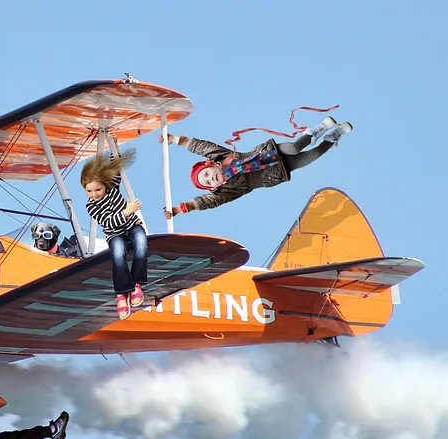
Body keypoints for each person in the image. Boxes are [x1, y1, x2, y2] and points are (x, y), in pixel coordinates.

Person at [160, 117, 352, 218]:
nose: (212, 178)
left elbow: (201, 146)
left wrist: (174, 140)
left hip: (270, 153)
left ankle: (315, 130)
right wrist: (182, 208)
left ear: (211, 165)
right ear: (212, 188)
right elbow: (208, 202)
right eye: (209, 182)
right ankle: (334, 136)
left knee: (294, 147)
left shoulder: (224, 157)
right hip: (276, 172)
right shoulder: (227, 191)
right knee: (314, 155)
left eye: (208, 174)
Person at [80, 149, 148, 320]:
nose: (94, 194)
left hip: (131, 225)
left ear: (106, 185)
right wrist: (127, 211)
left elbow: (116, 167)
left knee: (141, 241)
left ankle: (137, 283)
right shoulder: (91, 206)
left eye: (98, 189)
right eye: (89, 191)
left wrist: (114, 145)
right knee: (117, 254)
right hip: (114, 233)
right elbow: (108, 223)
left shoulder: (113, 187)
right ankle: (121, 292)